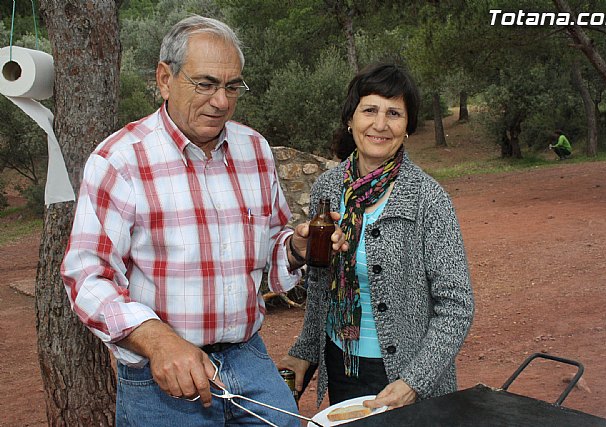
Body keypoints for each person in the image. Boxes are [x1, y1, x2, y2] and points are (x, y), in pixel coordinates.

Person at [60, 15, 346, 426]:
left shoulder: (254, 149)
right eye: (205, 84)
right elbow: (86, 276)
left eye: (232, 87)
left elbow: (272, 241)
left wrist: (297, 248)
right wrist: (159, 342)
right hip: (161, 378)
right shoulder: (120, 160)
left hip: (248, 357)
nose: (222, 101)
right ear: (164, 78)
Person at [279, 63, 474, 412]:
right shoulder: (328, 188)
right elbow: (322, 283)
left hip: (405, 378)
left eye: (394, 113)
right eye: (370, 110)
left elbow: (457, 307)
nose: (380, 124)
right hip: (342, 365)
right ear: (350, 119)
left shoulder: (428, 199)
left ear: (408, 127)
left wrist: (415, 381)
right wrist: (304, 352)